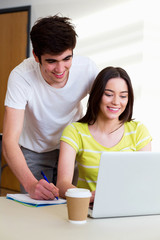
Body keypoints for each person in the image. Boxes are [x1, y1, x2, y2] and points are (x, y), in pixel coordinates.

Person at [2, 15, 98, 200]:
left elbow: (105, 112)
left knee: (71, 207)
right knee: (38, 211)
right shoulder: (21, 77)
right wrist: (31, 184)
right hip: (35, 150)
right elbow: (9, 141)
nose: (60, 69)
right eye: (51, 61)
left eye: (67, 58)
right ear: (36, 56)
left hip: (72, 148)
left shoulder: (87, 69)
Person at [56, 66, 152, 202]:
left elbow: (146, 181)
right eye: (108, 94)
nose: (116, 102)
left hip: (129, 207)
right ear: (97, 95)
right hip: (88, 208)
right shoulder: (75, 131)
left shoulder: (138, 131)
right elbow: (62, 185)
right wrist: (88, 196)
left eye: (123, 96)